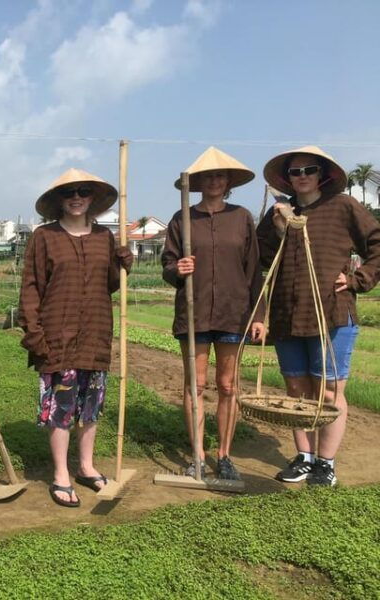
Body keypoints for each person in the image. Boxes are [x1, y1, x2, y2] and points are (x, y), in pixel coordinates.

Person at [257, 146, 380, 486]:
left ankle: (326, 463)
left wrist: (358, 279)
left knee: (328, 392)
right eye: (295, 172)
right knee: (296, 391)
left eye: (309, 169)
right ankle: (305, 457)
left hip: (332, 312)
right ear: (287, 179)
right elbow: (259, 258)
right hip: (287, 312)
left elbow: (376, 243)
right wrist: (280, 228)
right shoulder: (279, 212)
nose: (302, 176)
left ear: (322, 174)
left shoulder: (342, 206)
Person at [18, 168, 133, 507]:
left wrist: (123, 262)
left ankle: (85, 466)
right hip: (57, 334)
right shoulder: (44, 237)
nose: (76, 197)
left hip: (96, 331)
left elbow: (110, 283)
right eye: (69, 192)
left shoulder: (104, 237)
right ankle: (61, 474)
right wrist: (33, 332)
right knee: (61, 405)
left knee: (91, 404)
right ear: (59, 200)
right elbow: (31, 287)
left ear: (93, 198)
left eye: (83, 191)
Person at [161, 147, 266, 481]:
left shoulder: (242, 217)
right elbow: (167, 264)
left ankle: (224, 455)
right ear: (199, 182)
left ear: (229, 182)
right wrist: (178, 267)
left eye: (220, 176)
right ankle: (197, 454)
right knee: (196, 384)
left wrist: (259, 314)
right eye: (208, 176)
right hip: (194, 314)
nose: (215, 181)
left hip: (234, 312)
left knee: (228, 385)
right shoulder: (183, 219)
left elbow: (254, 271)